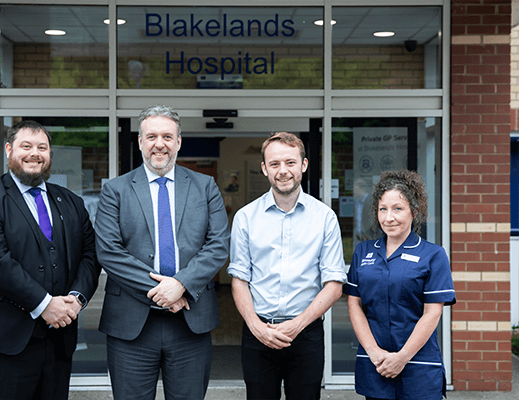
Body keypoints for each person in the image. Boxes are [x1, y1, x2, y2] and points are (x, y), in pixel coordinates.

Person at [0, 120, 100, 400]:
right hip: (4, 339)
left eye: (42, 147)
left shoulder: (71, 202)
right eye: (26, 146)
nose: (35, 153)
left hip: (59, 338)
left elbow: (90, 255)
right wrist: (45, 304)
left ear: (49, 155)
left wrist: (76, 299)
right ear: (9, 150)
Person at [95, 104, 230, 400]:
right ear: (141, 142)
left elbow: (218, 245)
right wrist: (164, 291)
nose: (160, 144)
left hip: (190, 322)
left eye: (167, 137)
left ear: (179, 142)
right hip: (130, 324)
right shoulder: (115, 190)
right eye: (152, 136)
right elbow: (109, 252)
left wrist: (181, 285)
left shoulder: (205, 186)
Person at [228, 131, 347, 400]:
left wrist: (297, 325)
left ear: (303, 165)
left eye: (290, 163)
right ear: (264, 169)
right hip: (258, 333)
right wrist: (256, 326)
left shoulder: (324, 218)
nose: (283, 171)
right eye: (275, 164)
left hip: (306, 335)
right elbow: (239, 279)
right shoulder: (246, 217)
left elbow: (334, 284)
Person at [343, 170, 456, 400]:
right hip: (376, 364)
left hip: (418, 366)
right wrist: (374, 352)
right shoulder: (363, 252)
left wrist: (402, 357)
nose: (388, 217)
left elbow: (432, 314)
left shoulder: (433, 255)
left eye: (397, 209)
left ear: (414, 211)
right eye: (383, 209)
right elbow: (354, 304)